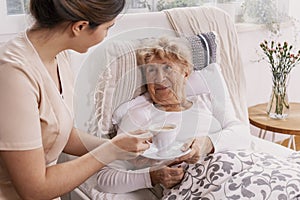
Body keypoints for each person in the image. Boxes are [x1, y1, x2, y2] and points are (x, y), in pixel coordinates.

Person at [0, 0, 152, 199]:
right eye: (107, 28)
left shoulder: (57, 55)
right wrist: (110, 151)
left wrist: (125, 148)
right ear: (80, 26)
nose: (107, 35)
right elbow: (34, 189)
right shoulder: (13, 75)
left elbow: (60, 134)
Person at [96, 37, 251, 196]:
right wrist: (153, 176)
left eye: (167, 68)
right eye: (151, 70)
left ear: (186, 72)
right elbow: (105, 178)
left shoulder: (206, 101)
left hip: (244, 175)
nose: (159, 78)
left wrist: (206, 144)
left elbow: (243, 134)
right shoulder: (139, 114)